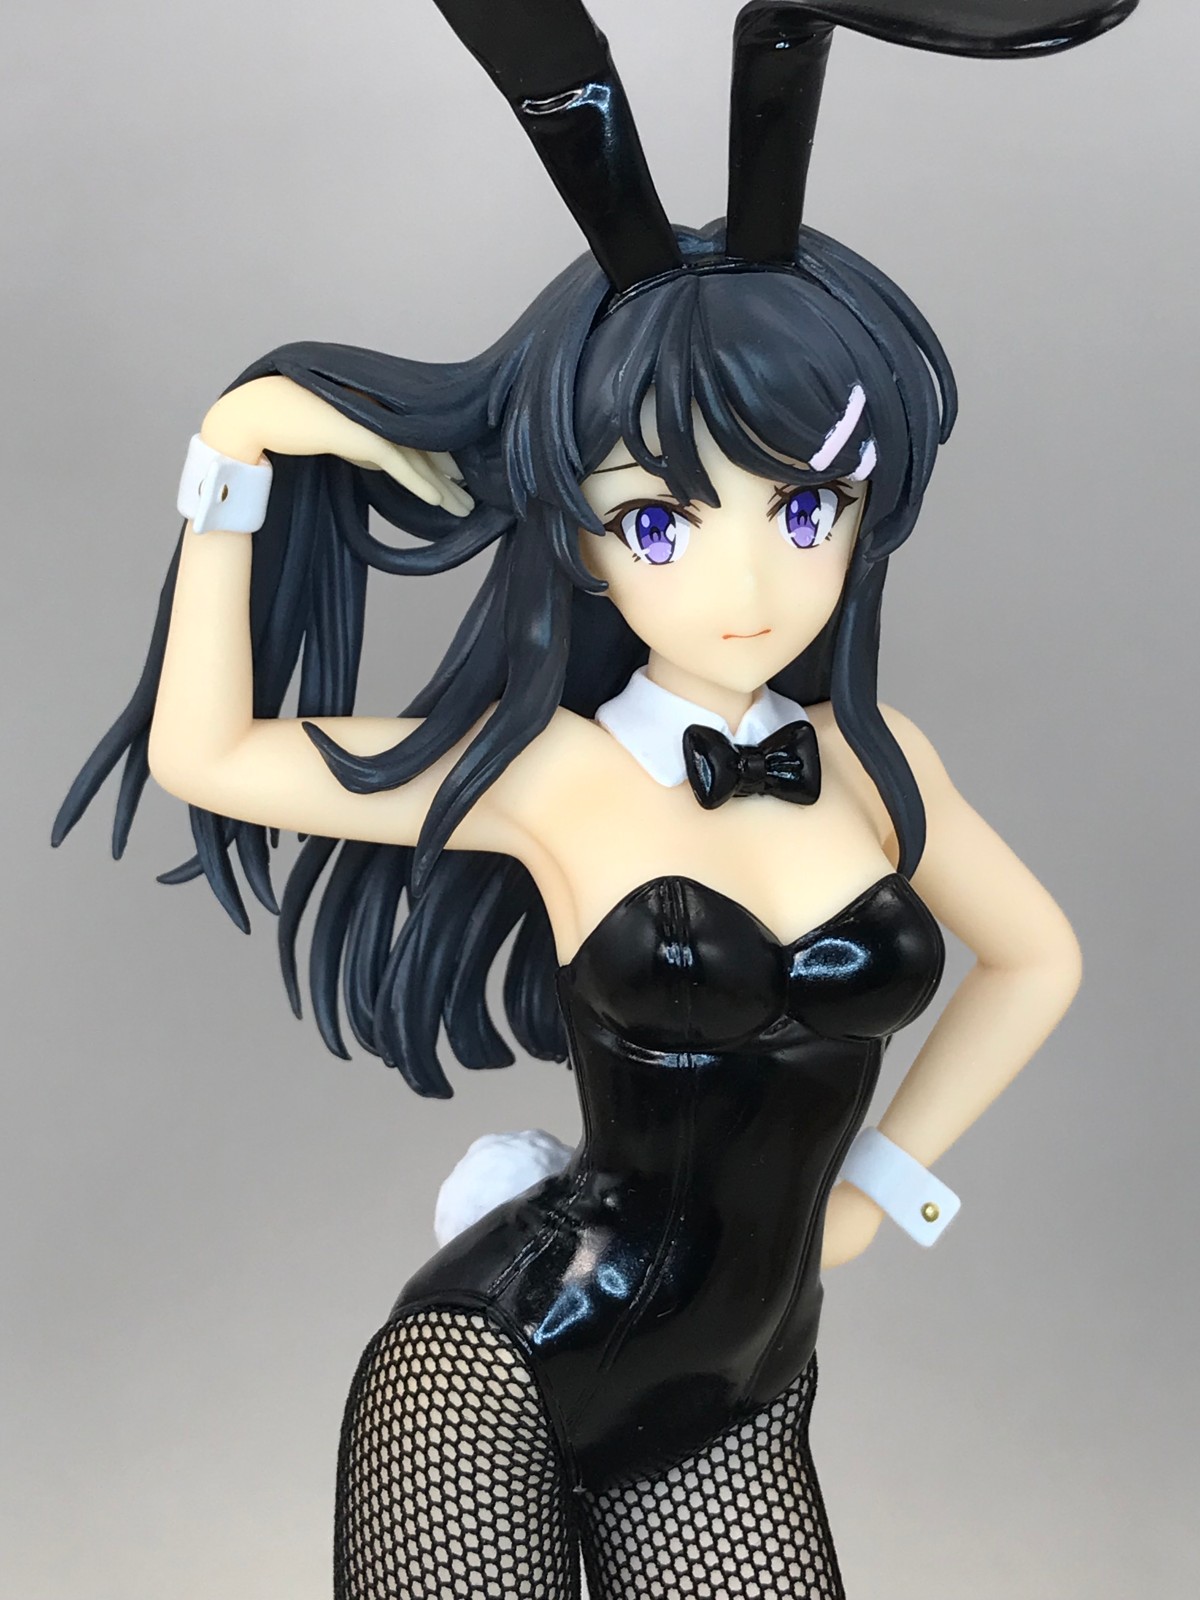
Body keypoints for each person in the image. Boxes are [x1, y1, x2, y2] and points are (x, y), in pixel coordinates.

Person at [52, 3, 1141, 1595]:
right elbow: (209, 755)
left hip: (743, 1384)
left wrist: (882, 1194)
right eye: (661, 523)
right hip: (503, 1369)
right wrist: (233, 460)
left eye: (805, 508)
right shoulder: (555, 776)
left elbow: (1039, 958)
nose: (749, 583)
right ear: (575, 538)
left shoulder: (875, 756)